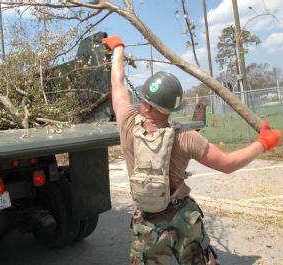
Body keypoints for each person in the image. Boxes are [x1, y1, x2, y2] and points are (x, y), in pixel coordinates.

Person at [102, 35, 281, 265]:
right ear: (172, 107)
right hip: (183, 219)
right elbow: (227, 164)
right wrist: (263, 143)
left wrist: (118, 48)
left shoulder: (127, 123)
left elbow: (117, 84)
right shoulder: (186, 137)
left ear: (144, 102)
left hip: (147, 226)